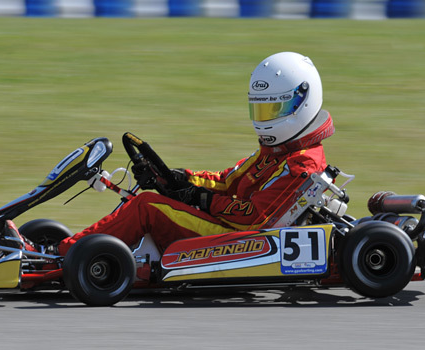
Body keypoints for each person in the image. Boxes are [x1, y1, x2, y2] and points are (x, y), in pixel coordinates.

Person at [57, 51, 335, 255]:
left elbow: (256, 216)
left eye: (273, 109)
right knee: (150, 198)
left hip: (244, 239)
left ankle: (68, 253)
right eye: (260, 109)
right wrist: (182, 180)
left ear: (302, 102)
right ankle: (78, 247)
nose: (264, 120)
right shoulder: (278, 151)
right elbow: (228, 181)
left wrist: (202, 200)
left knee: (148, 207)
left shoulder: (301, 165)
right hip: (232, 226)